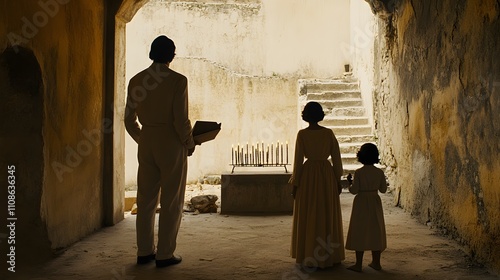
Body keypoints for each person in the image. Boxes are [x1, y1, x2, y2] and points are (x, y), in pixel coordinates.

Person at [124, 35, 196, 268]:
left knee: (145, 199)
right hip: (170, 141)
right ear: (171, 56)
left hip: (147, 140)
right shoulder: (178, 81)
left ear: (151, 53)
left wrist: (142, 138)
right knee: (171, 200)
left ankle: (144, 251)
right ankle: (165, 254)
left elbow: (128, 120)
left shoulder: (136, 80)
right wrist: (189, 142)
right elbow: (180, 119)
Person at [289, 101, 345, 268]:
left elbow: (298, 161)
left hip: (308, 177)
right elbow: (336, 158)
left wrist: (295, 183)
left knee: (309, 213)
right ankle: (329, 255)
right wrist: (337, 179)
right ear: (320, 115)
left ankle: (308, 254)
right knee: (327, 213)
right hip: (326, 175)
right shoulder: (328, 134)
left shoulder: (302, 134)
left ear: (306, 116)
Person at [345, 143, 387, 272]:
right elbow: (384, 190)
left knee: (360, 230)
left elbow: (354, 191)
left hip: (361, 202)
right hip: (374, 201)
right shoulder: (379, 172)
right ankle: (376, 262)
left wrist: (349, 183)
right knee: (376, 230)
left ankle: (358, 264)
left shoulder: (359, 172)